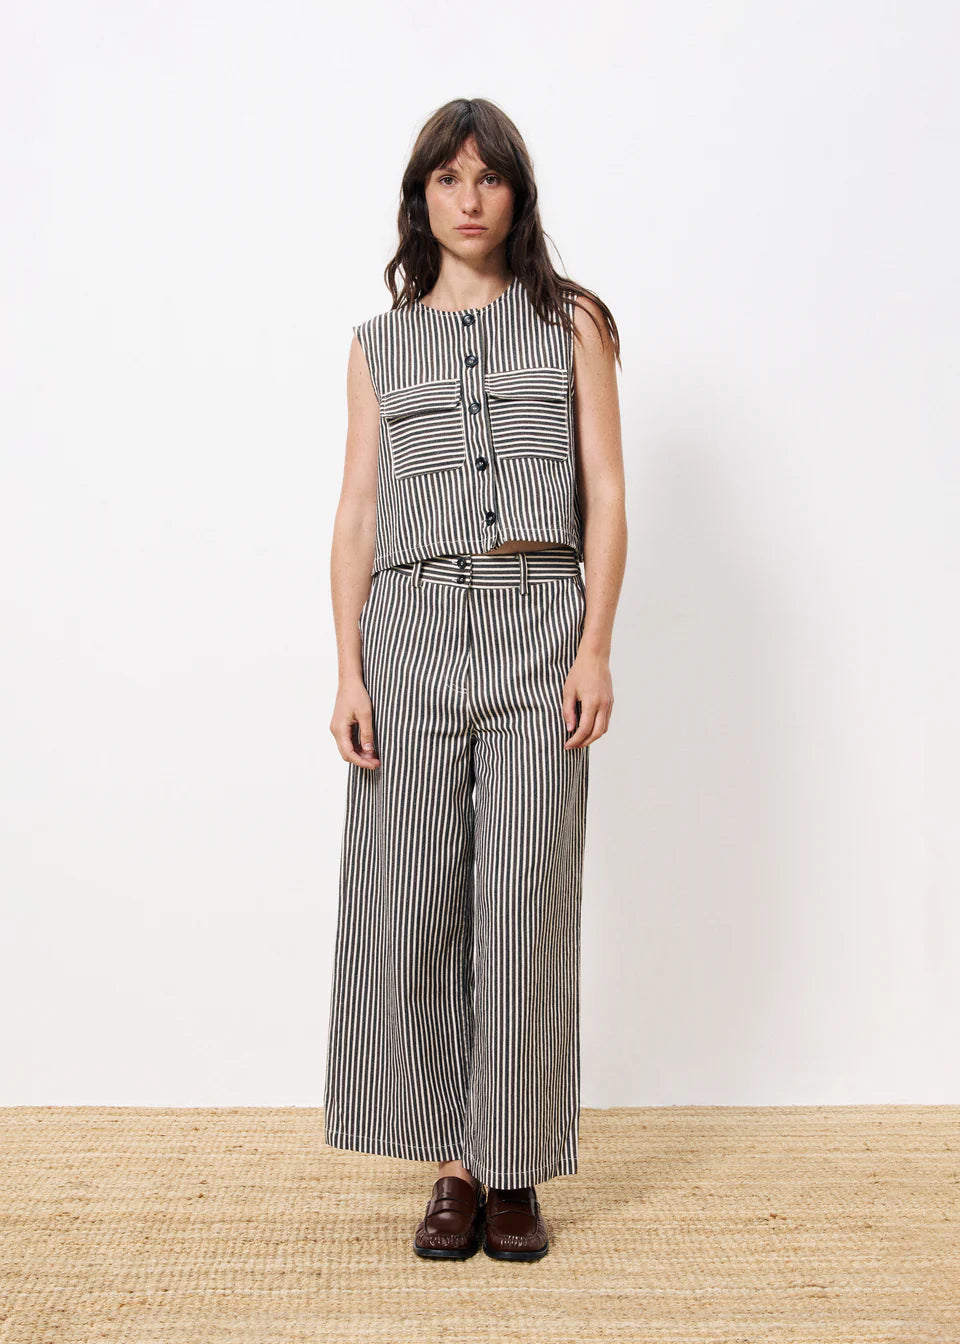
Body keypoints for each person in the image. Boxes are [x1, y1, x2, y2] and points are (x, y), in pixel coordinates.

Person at [324, 97, 626, 1262]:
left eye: (487, 177)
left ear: (516, 194)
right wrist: (347, 668)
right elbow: (357, 512)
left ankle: (514, 1168)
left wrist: (595, 645)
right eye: (446, 179)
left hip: (540, 625)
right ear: (421, 197)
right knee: (414, 903)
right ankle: (451, 1162)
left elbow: (608, 495)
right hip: (407, 632)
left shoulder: (573, 324)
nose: (468, 198)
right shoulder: (377, 344)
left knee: (525, 900)